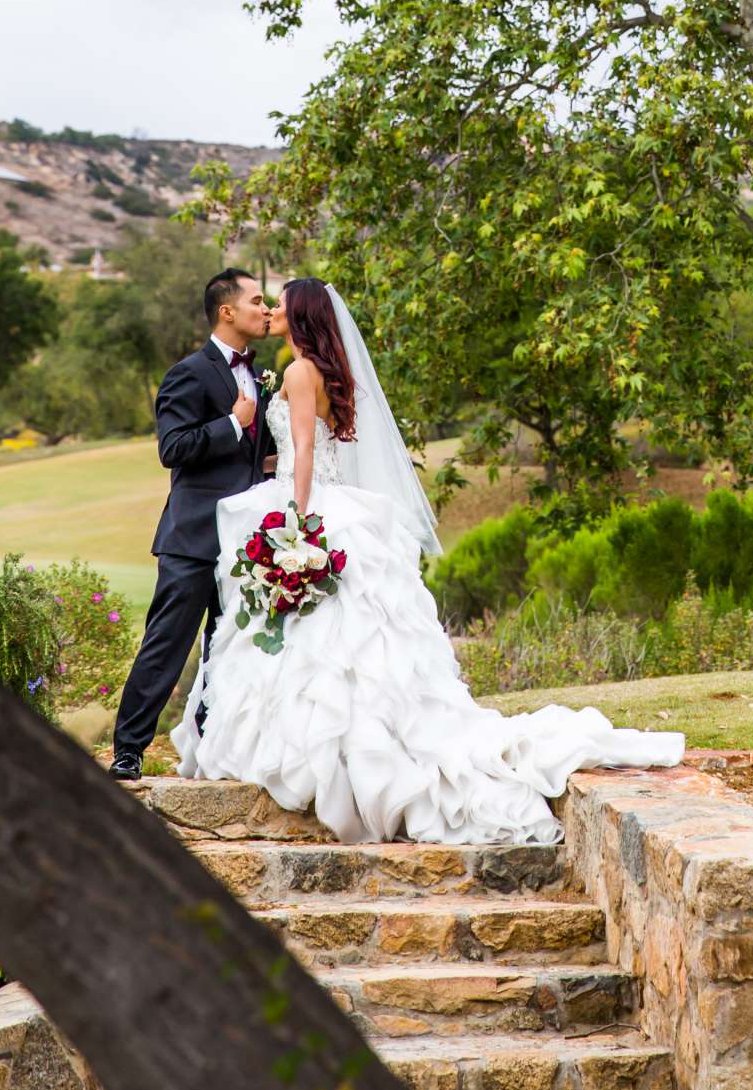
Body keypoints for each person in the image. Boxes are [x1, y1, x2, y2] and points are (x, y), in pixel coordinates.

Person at [172, 277, 685, 843]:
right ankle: (357, 745)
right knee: (357, 643)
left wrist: (294, 526)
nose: (272, 310)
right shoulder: (329, 372)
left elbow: (306, 454)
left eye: (281, 304)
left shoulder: (297, 372)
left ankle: (319, 756)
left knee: (316, 642)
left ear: (303, 316)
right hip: (345, 510)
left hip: (312, 509)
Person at [110, 269, 275, 780]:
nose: (265, 310)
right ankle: (129, 749)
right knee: (168, 642)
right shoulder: (189, 372)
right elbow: (173, 448)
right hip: (195, 536)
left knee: (226, 647)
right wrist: (233, 425)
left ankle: (210, 747)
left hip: (247, 543)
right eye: (256, 301)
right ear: (227, 311)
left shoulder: (263, 376)